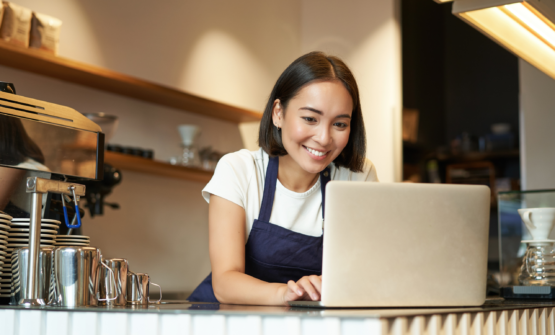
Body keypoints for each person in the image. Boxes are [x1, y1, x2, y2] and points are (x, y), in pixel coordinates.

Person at [188, 51, 379, 306]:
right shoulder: (239, 170)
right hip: (227, 322)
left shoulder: (357, 177)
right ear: (278, 113)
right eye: (310, 119)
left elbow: (365, 271)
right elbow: (225, 281)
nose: (324, 138)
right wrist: (287, 293)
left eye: (340, 124)